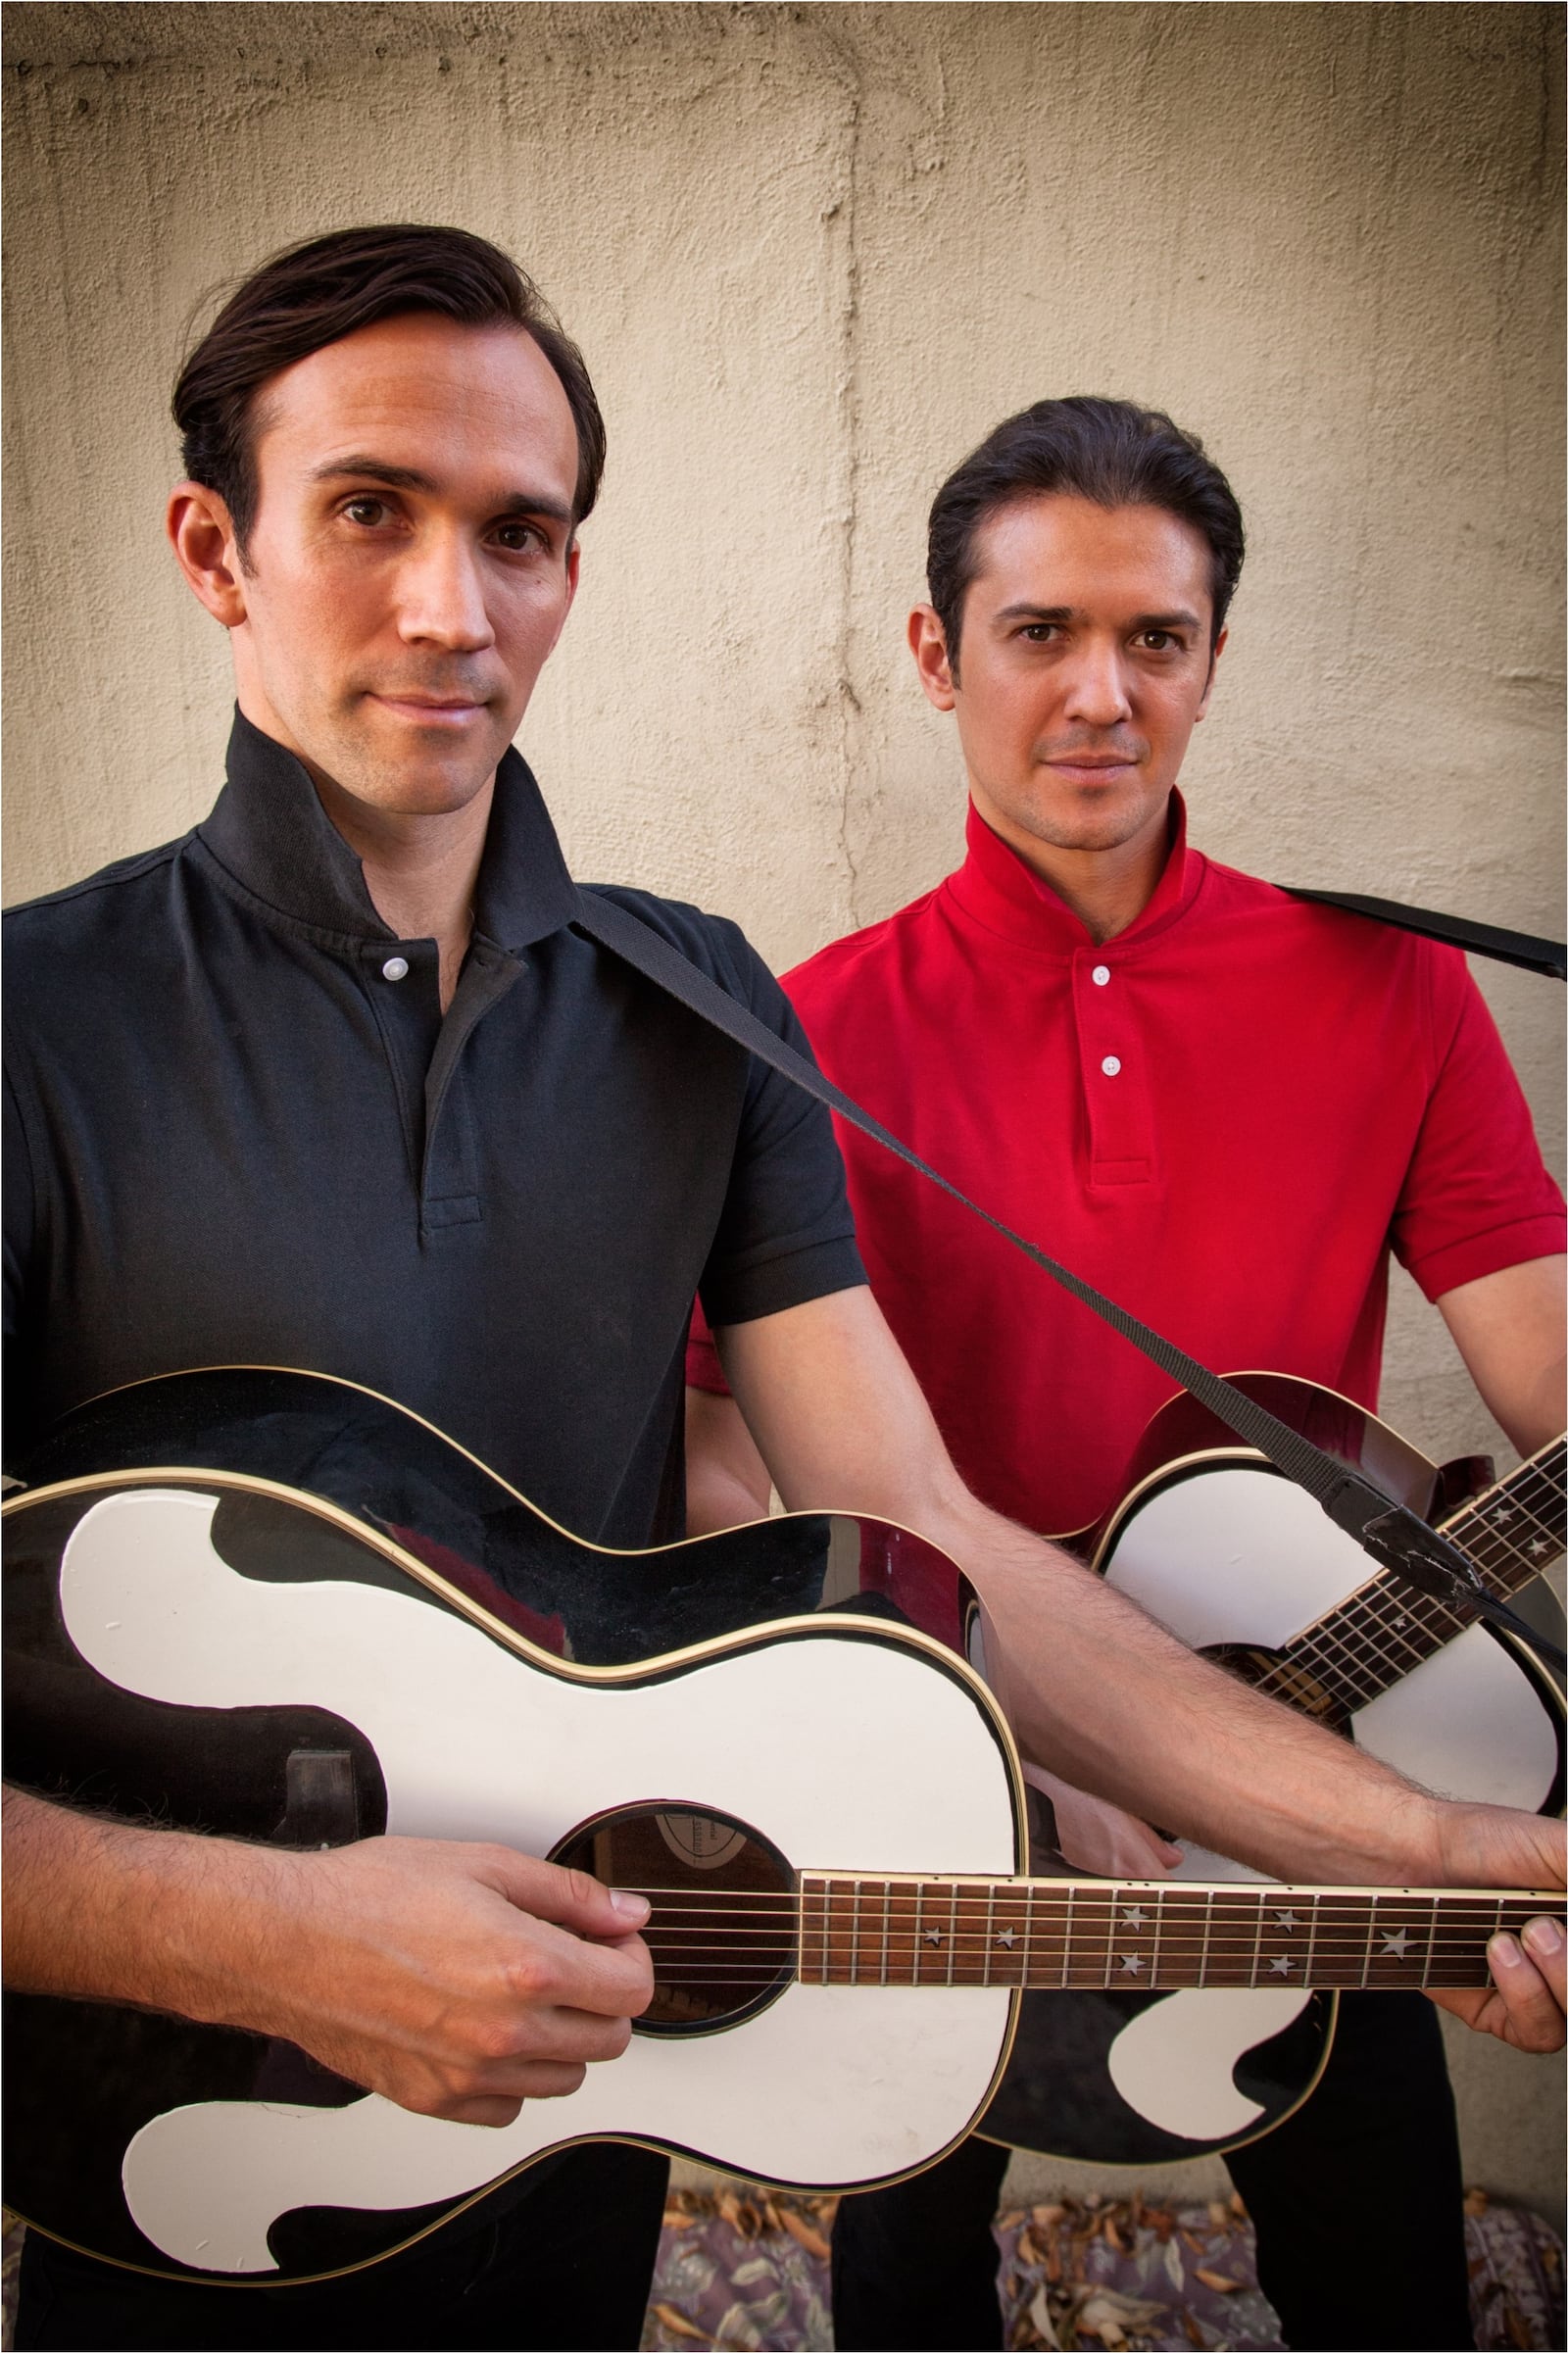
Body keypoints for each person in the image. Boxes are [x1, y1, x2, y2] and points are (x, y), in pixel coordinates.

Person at [3, 236, 1561, 2353]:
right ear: (215, 545)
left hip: (590, 2105)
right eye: (369, 506)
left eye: (519, 532)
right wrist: (253, 1935)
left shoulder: (700, 1008)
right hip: (181, 2148)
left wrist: (1444, 1844)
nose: (452, 605)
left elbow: (945, 1543)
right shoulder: (29, 1026)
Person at [683, 398, 1568, 2352]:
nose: (1097, 696)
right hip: (947, 1795)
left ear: (1209, 661)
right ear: (937, 653)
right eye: (1038, 633)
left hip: (1314, 1784)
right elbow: (726, 1471)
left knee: (1382, 2269)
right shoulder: (801, 1032)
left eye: (1151, 640)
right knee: (904, 2277)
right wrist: (1012, 1725)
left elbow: (1540, 1381)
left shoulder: (1388, 990)